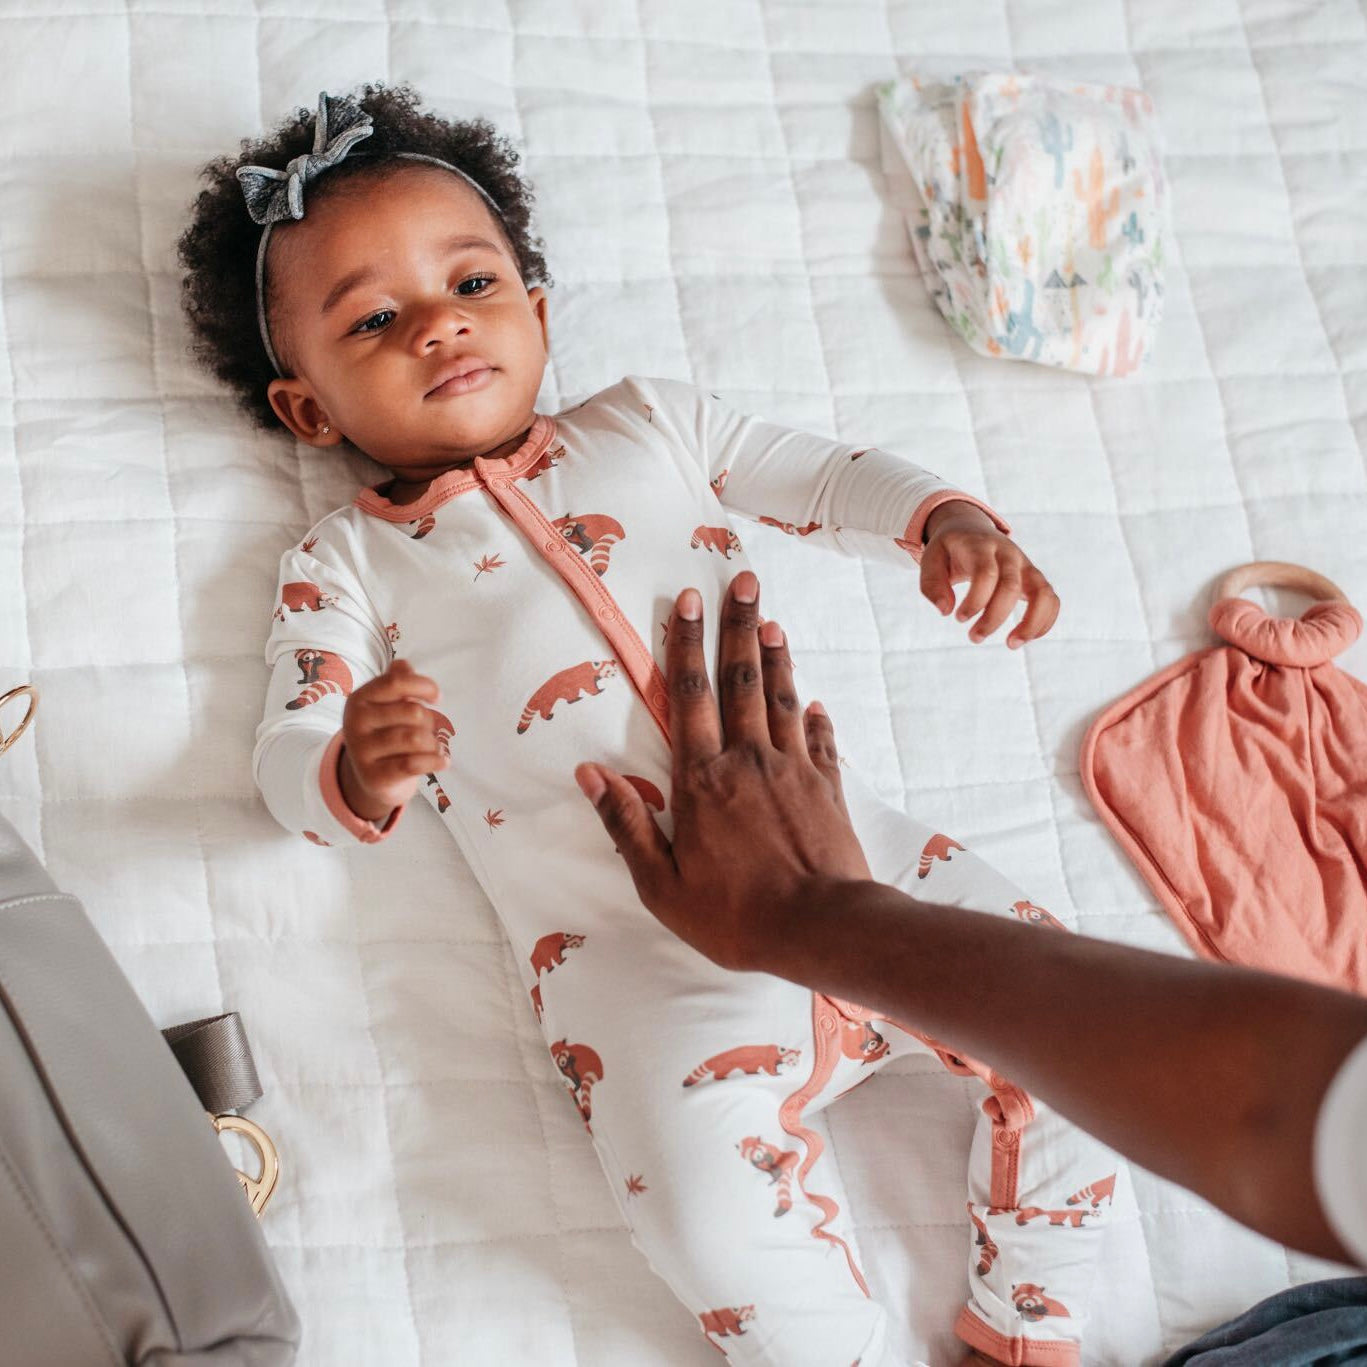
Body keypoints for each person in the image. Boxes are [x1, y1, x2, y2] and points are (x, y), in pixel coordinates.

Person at [180, 80, 1123, 1366]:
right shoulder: (341, 564)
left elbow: (827, 475)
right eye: (377, 319)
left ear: (539, 310)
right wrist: (350, 761)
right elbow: (283, 763)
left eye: (474, 284)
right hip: (641, 966)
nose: (440, 330)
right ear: (309, 408)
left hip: (849, 853)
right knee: (716, 1238)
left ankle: (1029, 1327)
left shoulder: (651, 424)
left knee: (1086, 1026)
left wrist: (941, 521)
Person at [573, 572, 1367, 1287]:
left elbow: (1270, 1105)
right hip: (710, 935)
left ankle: (1024, 1324)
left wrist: (942, 516)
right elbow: (1271, 1103)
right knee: (707, 1224)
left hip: (832, 878)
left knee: (1072, 1101)